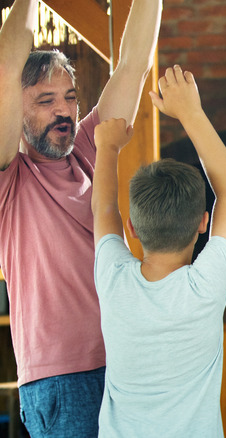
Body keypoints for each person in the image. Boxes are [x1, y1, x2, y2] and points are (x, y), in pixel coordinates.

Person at [0, 0, 161, 435]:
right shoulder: (9, 180)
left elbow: (133, 65)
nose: (63, 111)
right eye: (45, 100)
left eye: (70, 98)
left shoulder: (89, 148)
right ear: (16, 111)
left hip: (126, 362)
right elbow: (5, 67)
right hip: (62, 379)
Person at [91, 66, 226, 436]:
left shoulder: (114, 280)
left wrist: (108, 148)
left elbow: (103, 210)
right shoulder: (204, 289)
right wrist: (191, 113)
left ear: (132, 229)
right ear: (202, 223)